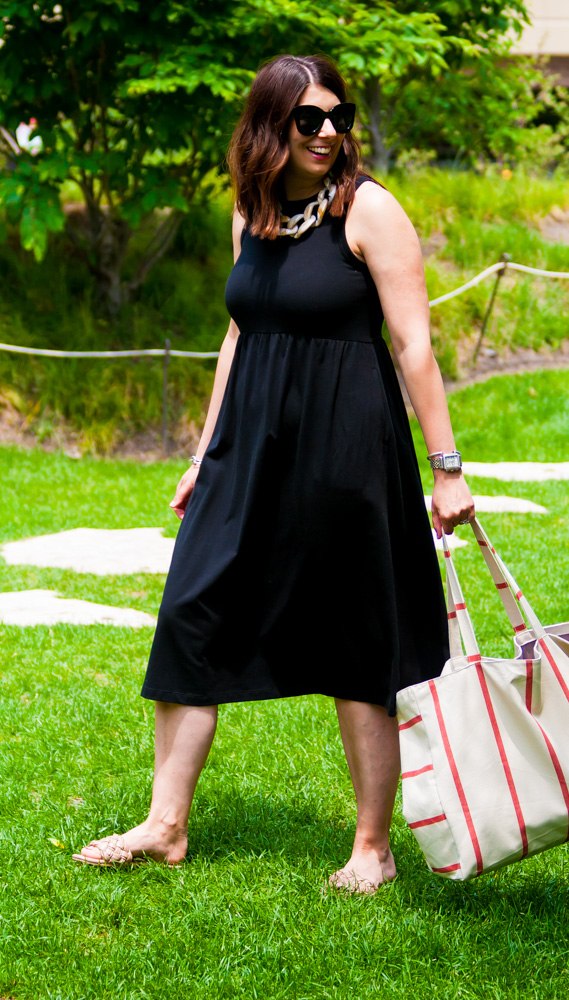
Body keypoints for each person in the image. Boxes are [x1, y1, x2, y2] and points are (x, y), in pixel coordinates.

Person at [73, 54, 475, 892]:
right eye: (309, 119)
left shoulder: (370, 210)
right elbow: (237, 335)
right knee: (190, 611)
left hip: (346, 444)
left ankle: (372, 847)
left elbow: (415, 347)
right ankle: (165, 824)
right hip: (247, 444)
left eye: (340, 116)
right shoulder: (251, 212)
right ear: (270, 127)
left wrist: (447, 471)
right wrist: (201, 452)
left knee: (355, 638)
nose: (329, 131)